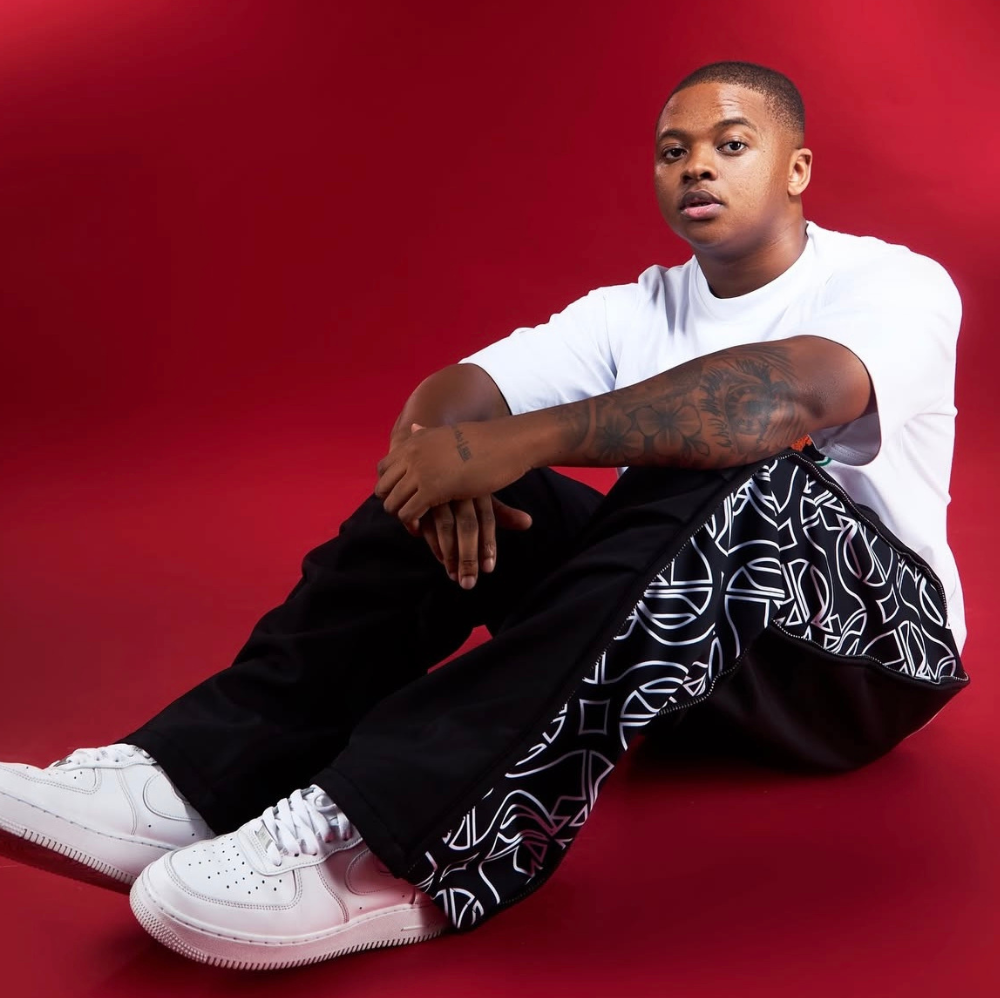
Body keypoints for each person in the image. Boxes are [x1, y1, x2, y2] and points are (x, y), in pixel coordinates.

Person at [0, 60, 970, 971]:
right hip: (680, 675)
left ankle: (395, 839)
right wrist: (453, 463)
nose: (695, 167)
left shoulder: (894, 284)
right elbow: (456, 395)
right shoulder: (631, 310)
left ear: (797, 168)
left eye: (730, 143)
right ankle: (189, 779)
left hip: (863, 671)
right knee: (475, 484)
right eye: (672, 150)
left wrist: (520, 441)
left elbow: (785, 397)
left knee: (731, 467)